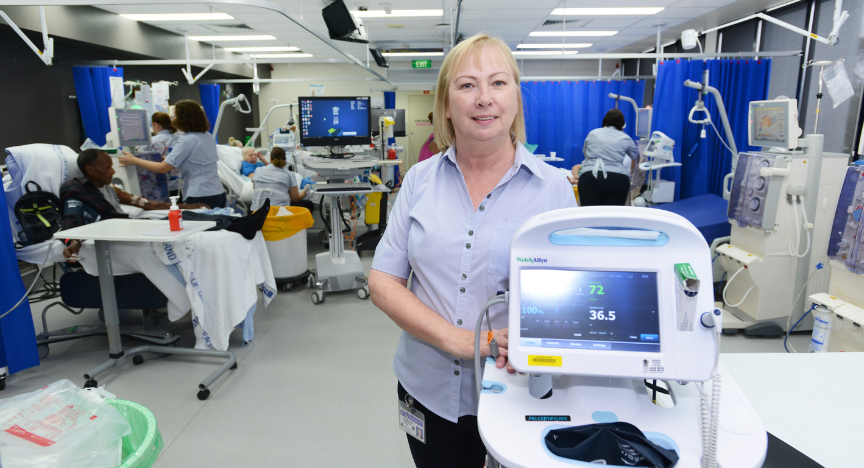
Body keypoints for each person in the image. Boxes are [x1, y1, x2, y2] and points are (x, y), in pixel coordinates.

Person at [367, 34, 576, 468]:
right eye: (467, 86)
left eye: (498, 83)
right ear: (446, 104)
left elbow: (573, 294)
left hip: (517, 389)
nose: (484, 99)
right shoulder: (419, 181)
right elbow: (384, 279)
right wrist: (467, 341)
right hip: (425, 390)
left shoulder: (553, 189)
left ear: (516, 99)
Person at [61, 149, 207, 261]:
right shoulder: (76, 190)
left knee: (188, 221)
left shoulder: (110, 188)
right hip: (117, 232)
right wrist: (73, 242)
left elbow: (148, 205)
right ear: (90, 169)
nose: (112, 171)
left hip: (127, 225)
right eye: (107, 168)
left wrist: (190, 207)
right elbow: (72, 217)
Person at [118, 100, 226, 208]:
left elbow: (162, 168)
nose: (174, 119)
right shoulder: (207, 136)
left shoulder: (188, 140)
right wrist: (173, 160)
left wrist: (133, 160)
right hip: (217, 193)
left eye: (175, 116)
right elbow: (199, 161)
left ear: (183, 118)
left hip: (201, 195)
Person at [577, 109, 638, 206]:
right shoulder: (626, 138)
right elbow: (635, 156)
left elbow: (586, 154)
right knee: (612, 216)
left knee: (589, 215)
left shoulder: (593, 133)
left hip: (591, 177)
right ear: (622, 124)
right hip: (618, 179)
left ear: (604, 121)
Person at [249, 147, 312, 213]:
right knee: (309, 204)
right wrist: (305, 190)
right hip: (278, 213)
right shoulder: (289, 174)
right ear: (285, 159)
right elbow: (295, 199)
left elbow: (254, 187)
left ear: (270, 158)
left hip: (256, 212)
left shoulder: (258, 170)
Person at [149, 112, 181, 196]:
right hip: (179, 186)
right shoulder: (180, 139)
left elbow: (140, 154)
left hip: (160, 186)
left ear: (156, 124)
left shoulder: (152, 141)